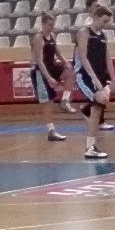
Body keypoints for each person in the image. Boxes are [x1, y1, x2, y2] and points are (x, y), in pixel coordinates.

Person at [72, 5, 115, 160]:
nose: (105, 24)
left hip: (100, 73)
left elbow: (107, 57)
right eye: (104, 21)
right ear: (96, 17)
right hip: (85, 74)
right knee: (102, 99)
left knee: (97, 110)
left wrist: (113, 78)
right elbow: (83, 58)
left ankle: (90, 147)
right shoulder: (83, 33)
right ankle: (86, 109)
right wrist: (95, 80)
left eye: (107, 22)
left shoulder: (103, 36)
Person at [28, 12, 69, 141]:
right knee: (47, 102)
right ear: (43, 24)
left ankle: (65, 100)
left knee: (71, 73)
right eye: (49, 25)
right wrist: (49, 78)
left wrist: (65, 62)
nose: (51, 27)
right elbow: (39, 61)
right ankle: (51, 131)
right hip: (40, 70)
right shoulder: (38, 38)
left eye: (53, 25)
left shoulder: (52, 35)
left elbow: (56, 50)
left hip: (51, 67)